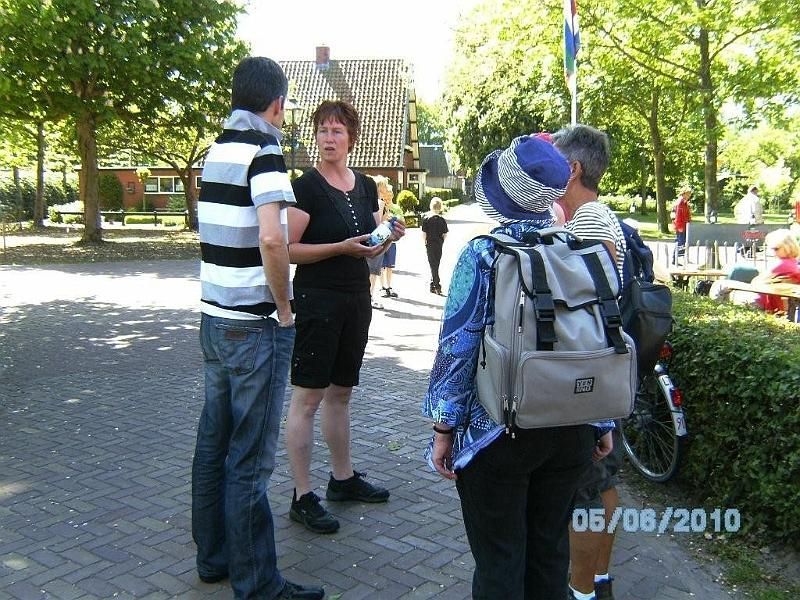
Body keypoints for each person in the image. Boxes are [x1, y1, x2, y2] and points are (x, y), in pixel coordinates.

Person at [423, 134, 611, 599]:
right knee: (550, 557)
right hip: (571, 425)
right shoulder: (581, 249)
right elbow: (599, 337)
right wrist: (602, 419)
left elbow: (458, 345)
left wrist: (444, 427)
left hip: (500, 430)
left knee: (500, 563)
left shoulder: (484, 253)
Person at [191, 56, 324, 600]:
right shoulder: (265, 151)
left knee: (213, 444)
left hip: (214, 319)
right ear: (277, 103)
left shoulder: (216, 150)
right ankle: (259, 584)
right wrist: (285, 308)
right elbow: (273, 238)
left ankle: (214, 558)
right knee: (249, 457)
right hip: (254, 325)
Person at [285, 100, 405, 534]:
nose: (328, 138)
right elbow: (287, 249)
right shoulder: (304, 187)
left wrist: (388, 238)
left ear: (351, 138)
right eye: (322, 130)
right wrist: (339, 248)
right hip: (317, 301)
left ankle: (342, 479)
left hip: (356, 299)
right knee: (308, 399)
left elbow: (370, 245)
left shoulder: (366, 185)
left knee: (341, 394)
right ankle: (302, 496)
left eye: (336, 131)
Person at [552, 124, 623, 600]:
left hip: (592, 377)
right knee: (603, 482)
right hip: (604, 372)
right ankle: (598, 580)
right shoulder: (597, 216)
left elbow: (593, 307)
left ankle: (582, 591)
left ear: (573, 169)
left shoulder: (589, 221)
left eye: (555, 163)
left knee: (586, 490)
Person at [710, 229, 800, 312]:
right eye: (771, 249)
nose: (773, 252)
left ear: (788, 247)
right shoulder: (793, 264)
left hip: (759, 300)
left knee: (720, 285)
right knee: (724, 286)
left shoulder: (780, 264)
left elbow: (756, 283)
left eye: (776, 249)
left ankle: (714, 313)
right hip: (772, 301)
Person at [376, 176, 403, 298]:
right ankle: (382, 286)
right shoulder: (380, 205)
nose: (387, 196)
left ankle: (389, 286)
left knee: (389, 265)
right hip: (381, 239)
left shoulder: (395, 208)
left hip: (391, 241)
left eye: (389, 194)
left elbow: (401, 221)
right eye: (385, 192)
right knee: (380, 265)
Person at [421, 196, 448, 294]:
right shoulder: (442, 220)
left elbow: (424, 234)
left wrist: (425, 241)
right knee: (436, 264)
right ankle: (432, 284)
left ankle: (436, 285)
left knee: (433, 264)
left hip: (430, 244)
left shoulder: (426, 219)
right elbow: (445, 234)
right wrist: (441, 241)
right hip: (439, 244)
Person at [671, 189, 692, 264]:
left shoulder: (684, 202)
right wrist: (679, 226)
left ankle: (680, 258)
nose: (689, 196)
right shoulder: (680, 202)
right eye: (688, 194)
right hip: (681, 226)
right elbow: (678, 215)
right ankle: (675, 259)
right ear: (683, 194)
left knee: (683, 242)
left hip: (684, 225)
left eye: (689, 194)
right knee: (680, 242)